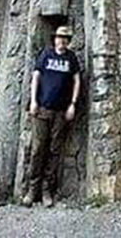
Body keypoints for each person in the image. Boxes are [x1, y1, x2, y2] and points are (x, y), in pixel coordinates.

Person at [22, 24, 81, 207]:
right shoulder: (46, 54)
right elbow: (36, 78)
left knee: (55, 151)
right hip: (42, 110)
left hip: (61, 112)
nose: (61, 40)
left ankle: (48, 190)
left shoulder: (71, 58)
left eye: (64, 38)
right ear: (54, 39)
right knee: (38, 149)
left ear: (68, 41)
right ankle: (32, 190)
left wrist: (72, 105)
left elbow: (77, 80)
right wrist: (33, 101)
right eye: (59, 37)